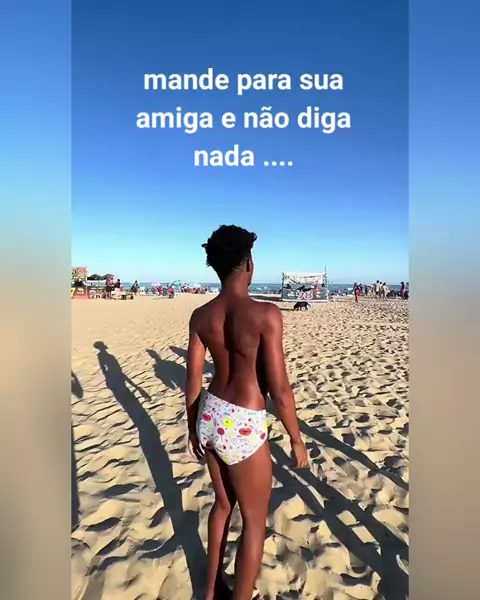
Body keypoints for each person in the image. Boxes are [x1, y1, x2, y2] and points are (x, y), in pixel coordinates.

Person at [185, 225, 308, 600]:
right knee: (254, 521)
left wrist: (192, 427)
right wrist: (296, 438)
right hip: (242, 420)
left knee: (223, 505)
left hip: (210, 412)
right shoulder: (265, 314)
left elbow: (192, 379)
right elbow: (280, 389)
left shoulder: (201, 315)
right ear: (249, 264)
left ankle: (210, 592)